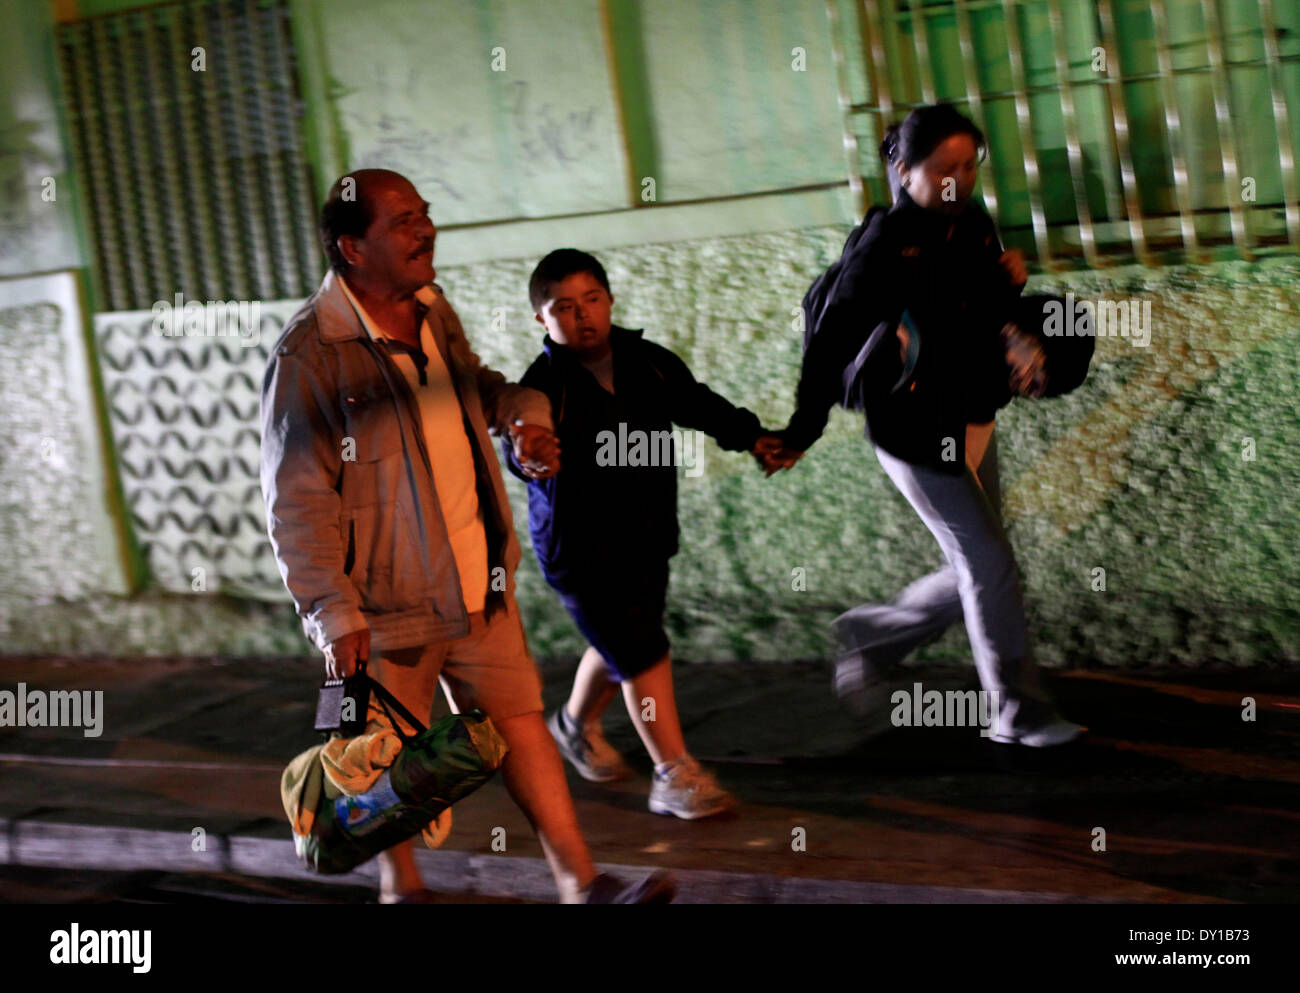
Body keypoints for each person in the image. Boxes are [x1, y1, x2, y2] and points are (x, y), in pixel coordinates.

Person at [260, 169, 674, 903]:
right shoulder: (310, 355)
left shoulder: (431, 308)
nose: (426, 230)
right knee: (379, 763)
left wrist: (519, 415)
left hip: (477, 576)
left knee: (520, 725)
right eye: (404, 222)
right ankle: (403, 889)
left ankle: (583, 883)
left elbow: (474, 387)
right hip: (385, 606)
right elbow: (295, 499)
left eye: (425, 213)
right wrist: (332, 612)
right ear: (353, 247)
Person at [766, 105, 1086, 748]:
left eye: (969, 166)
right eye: (943, 169)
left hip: (970, 414)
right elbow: (828, 347)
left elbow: (978, 305)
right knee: (989, 563)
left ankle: (871, 635)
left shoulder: (970, 222)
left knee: (979, 562)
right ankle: (1018, 713)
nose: (958, 181)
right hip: (913, 432)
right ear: (905, 171)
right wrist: (800, 432)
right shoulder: (886, 246)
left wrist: (1015, 313)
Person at [506, 249, 783, 818]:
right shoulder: (542, 386)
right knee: (641, 650)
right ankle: (673, 773)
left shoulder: (647, 362)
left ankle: (574, 724)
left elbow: (698, 404)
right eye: (563, 307)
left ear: (609, 302)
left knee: (624, 645)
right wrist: (528, 456)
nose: (582, 316)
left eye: (592, 300)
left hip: (647, 532)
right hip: (578, 549)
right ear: (541, 320)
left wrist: (753, 437)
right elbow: (524, 440)